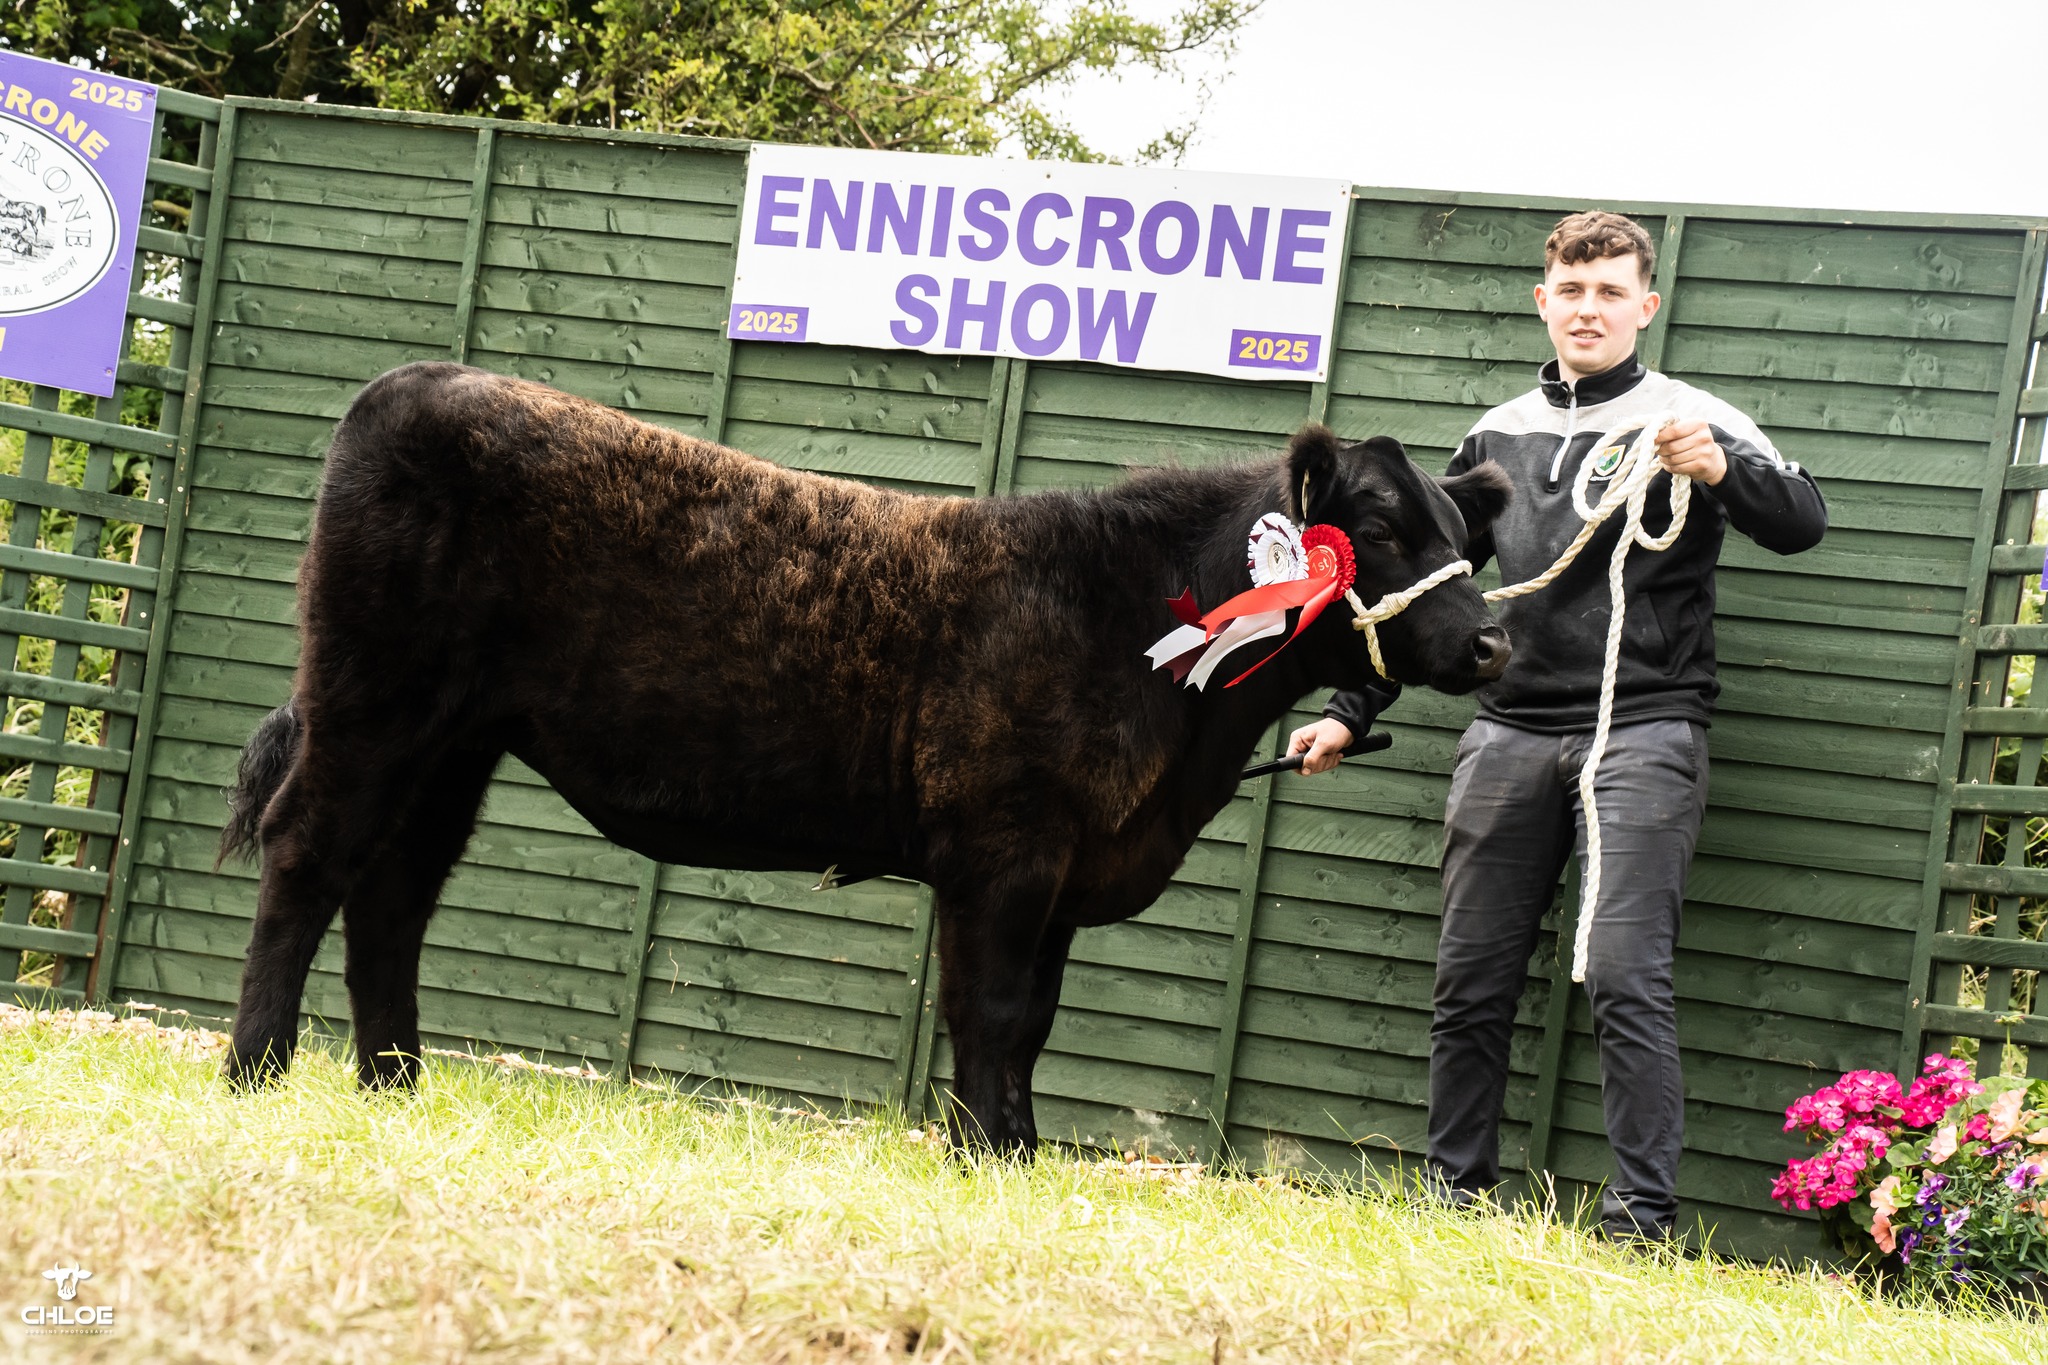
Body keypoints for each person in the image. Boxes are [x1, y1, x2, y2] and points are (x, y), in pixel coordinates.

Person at [1287, 210, 1828, 1241]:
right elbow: (1432, 590)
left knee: (1624, 974)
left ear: (1645, 306)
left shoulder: (1692, 417)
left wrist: (1721, 470)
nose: (1589, 310)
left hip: (1645, 731)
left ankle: (1638, 1223)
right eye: (1571, 292)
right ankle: (1453, 1199)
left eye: (1610, 292)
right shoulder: (1495, 435)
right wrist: (1350, 712)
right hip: (1508, 733)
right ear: (1543, 302)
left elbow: (1803, 522)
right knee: (1470, 976)